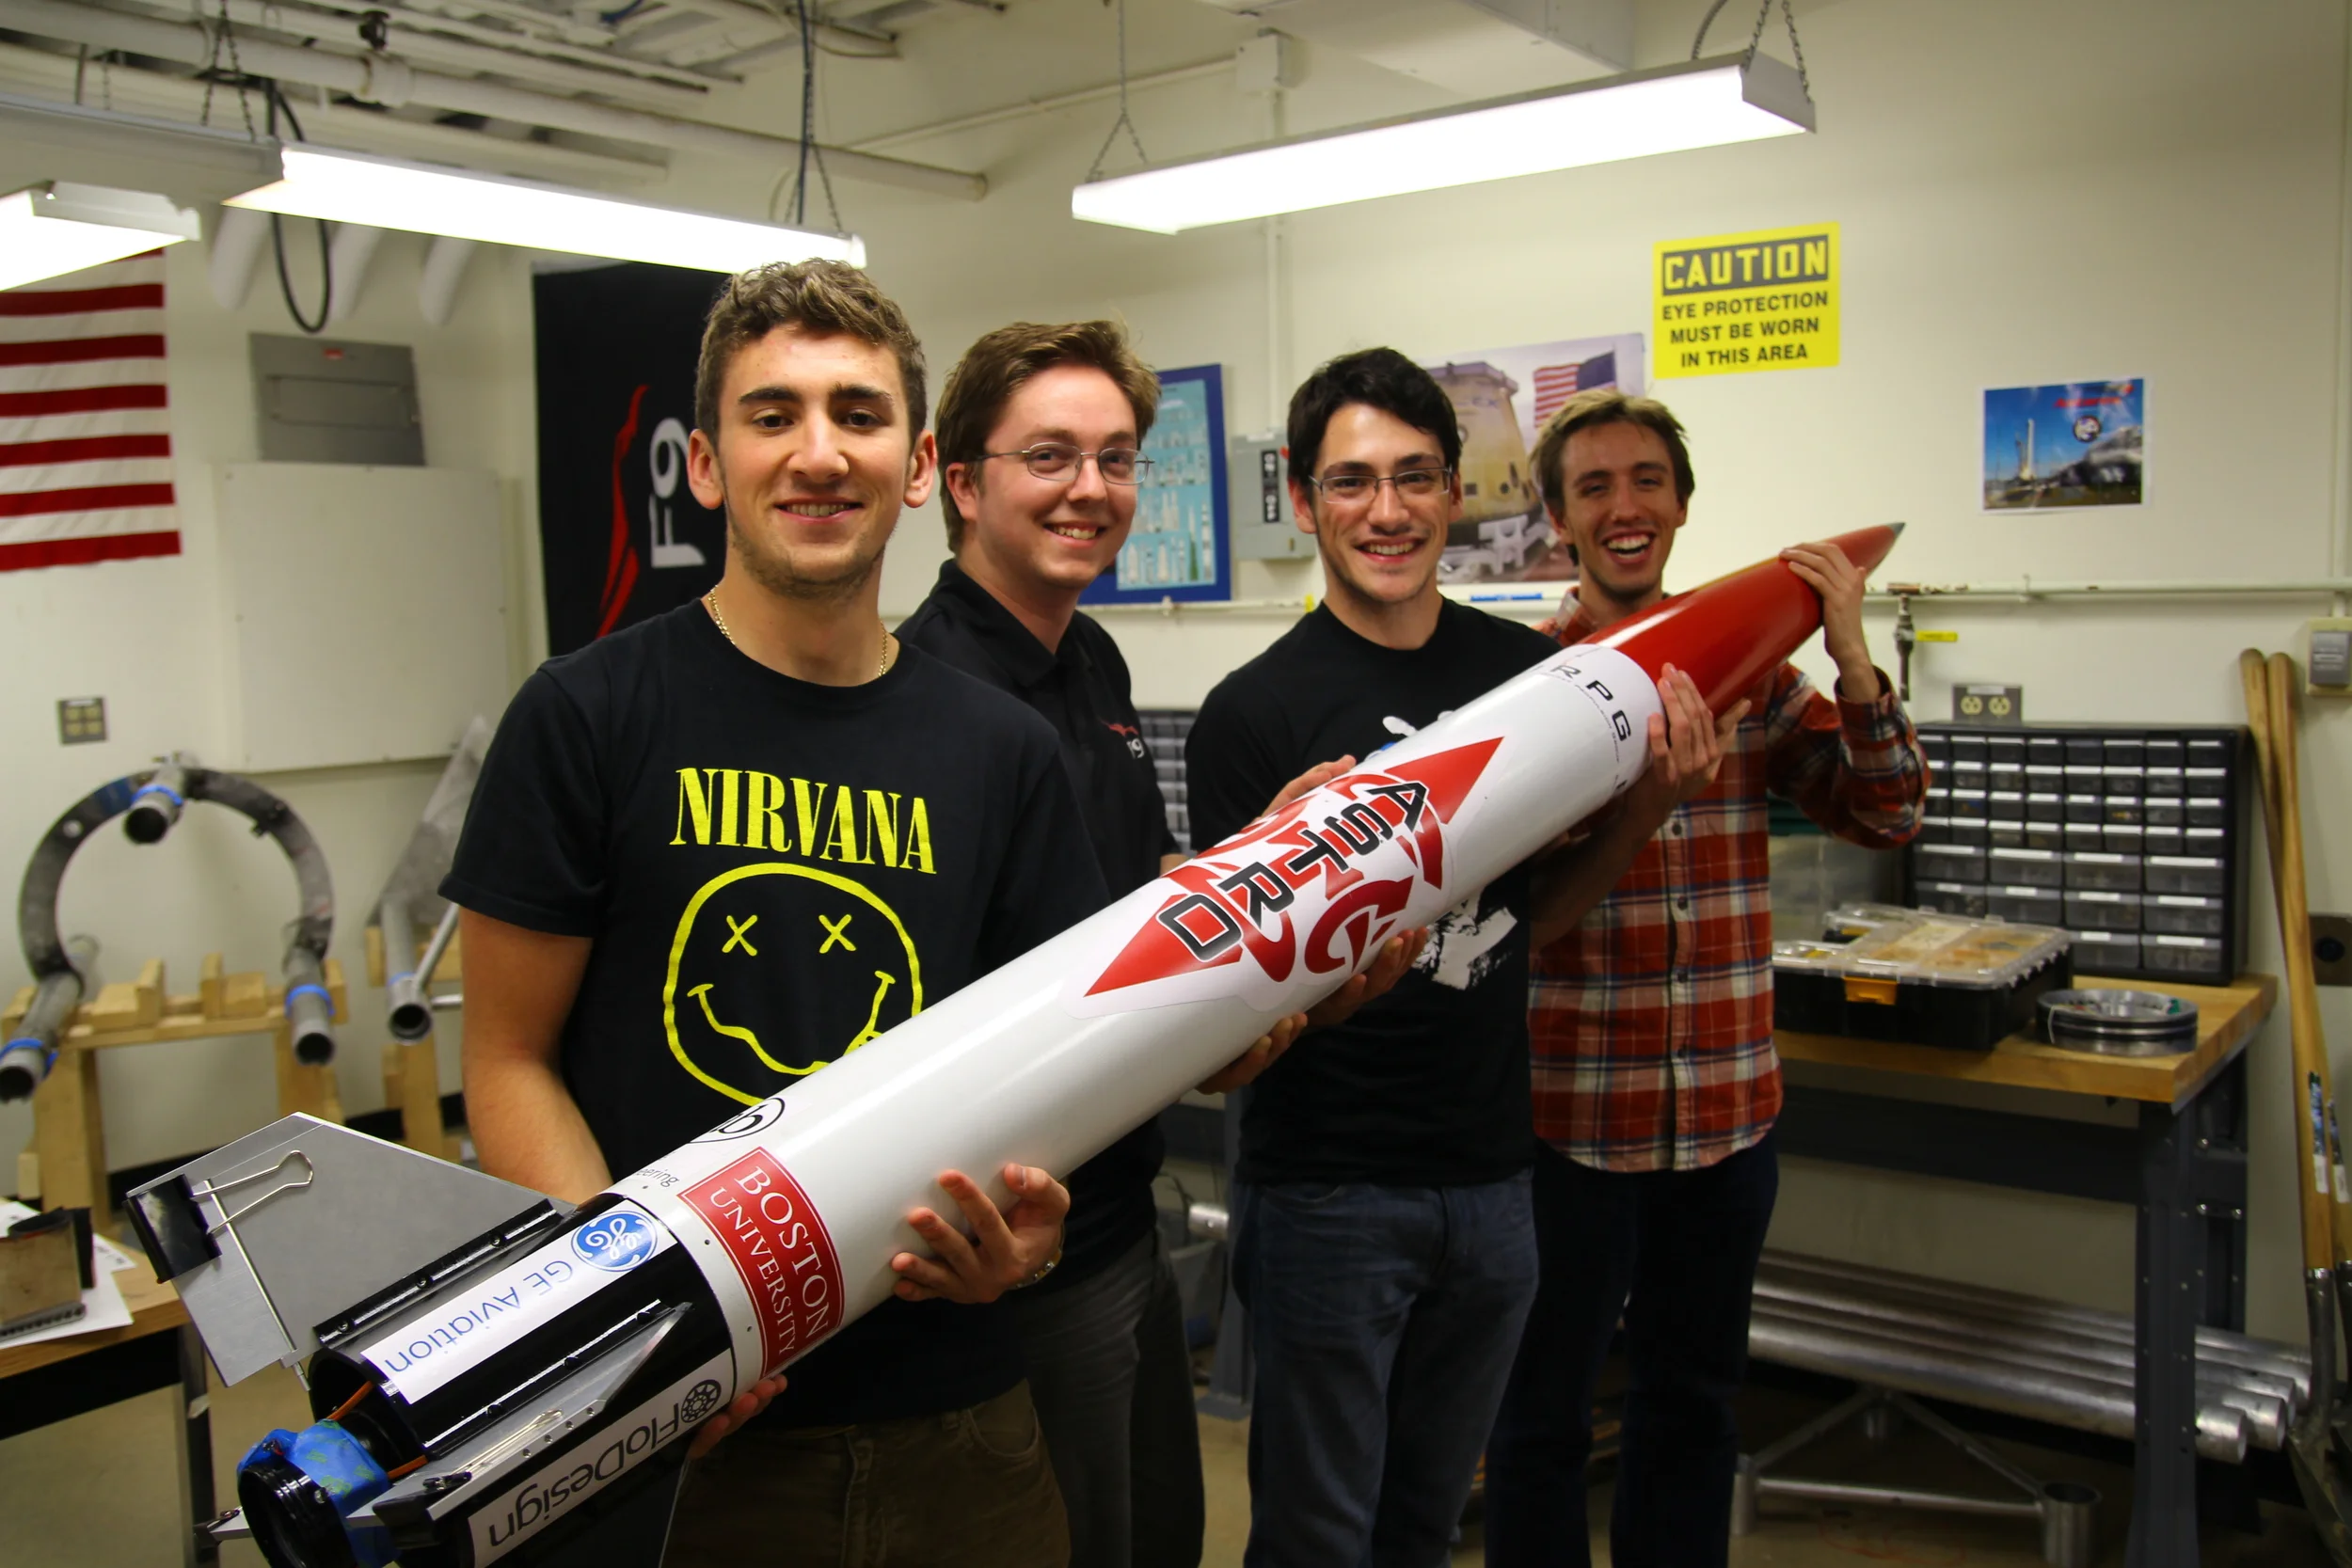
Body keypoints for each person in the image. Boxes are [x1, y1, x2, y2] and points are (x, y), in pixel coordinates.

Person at [445, 261, 1102, 1568]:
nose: (819, 453)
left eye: (858, 414)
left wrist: (1029, 1235)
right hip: (680, 1426)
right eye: (772, 413)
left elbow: (1059, 1066)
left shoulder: (1006, 752)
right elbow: (508, 1059)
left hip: (953, 1411)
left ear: (917, 465)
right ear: (703, 462)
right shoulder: (585, 716)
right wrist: (642, 1327)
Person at [1183, 348, 1730, 1568]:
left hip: (1494, 1184)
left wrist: (1646, 809)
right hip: (1328, 1189)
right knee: (1320, 1536)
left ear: (1453, 492)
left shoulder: (1528, 679)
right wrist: (1303, 929)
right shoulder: (1250, 714)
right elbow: (1231, 1010)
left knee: (1425, 1528)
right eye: (1353, 480)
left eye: (1415, 477)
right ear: (1306, 494)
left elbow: (1530, 922)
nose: (1387, 510)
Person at [896, 319, 1420, 1568]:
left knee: (1158, 1535)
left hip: (1121, 1212)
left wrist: (1261, 864)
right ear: (962, 482)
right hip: (1021, 1247)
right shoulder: (924, 693)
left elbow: (1129, 902)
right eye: (1052, 455)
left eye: (1119, 458)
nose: (1093, 487)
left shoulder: (1090, 658)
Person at [1483, 388, 1929, 1568]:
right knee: (1537, 1420)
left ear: (1682, 503)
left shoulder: (1752, 666)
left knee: (1691, 1410)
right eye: (1594, 488)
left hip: (1726, 1119)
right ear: (1557, 521)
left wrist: (1847, 656)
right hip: (1568, 1121)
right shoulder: (1524, 687)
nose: (1625, 508)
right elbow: (1501, 899)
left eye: (1646, 481)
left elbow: (1884, 814)